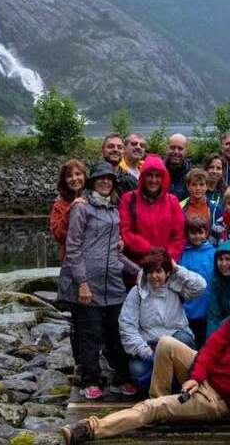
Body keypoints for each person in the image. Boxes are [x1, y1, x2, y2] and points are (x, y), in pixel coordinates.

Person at [60, 287, 230, 443]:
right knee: (167, 344)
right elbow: (210, 350)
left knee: (151, 408)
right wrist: (195, 376)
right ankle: (160, 406)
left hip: (218, 399)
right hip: (204, 379)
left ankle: (90, 428)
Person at [57, 161, 139, 400]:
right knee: (89, 333)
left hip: (113, 283)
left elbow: (115, 252)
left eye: (109, 179)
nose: (105, 182)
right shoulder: (81, 208)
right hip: (88, 284)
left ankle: (122, 377)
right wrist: (81, 282)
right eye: (101, 178)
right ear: (92, 182)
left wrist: (139, 271)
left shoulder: (114, 211)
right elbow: (72, 249)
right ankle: (91, 379)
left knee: (118, 331)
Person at [118, 248, 206, 387]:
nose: (154, 276)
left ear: (167, 272)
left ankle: (179, 385)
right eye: (150, 272)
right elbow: (127, 327)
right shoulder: (136, 293)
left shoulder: (175, 286)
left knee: (184, 340)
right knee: (137, 370)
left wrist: (177, 269)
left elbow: (200, 287)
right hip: (150, 345)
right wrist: (146, 353)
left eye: (158, 271)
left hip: (176, 340)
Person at [119, 155, 186, 263]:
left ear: (163, 178)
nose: (153, 180)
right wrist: (148, 249)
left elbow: (179, 235)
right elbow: (125, 231)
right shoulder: (128, 199)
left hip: (164, 265)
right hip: (136, 263)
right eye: (149, 175)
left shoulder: (172, 201)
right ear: (143, 177)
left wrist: (167, 258)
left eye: (158, 176)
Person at [179, 215, 216, 347]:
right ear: (187, 233)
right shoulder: (183, 253)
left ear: (206, 233)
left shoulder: (213, 252)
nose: (197, 236)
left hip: (206, 306)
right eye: (193, 233)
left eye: (200, 232)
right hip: (187, 307)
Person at [49, 159, 88, 262]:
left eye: (78, 174)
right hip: (71, 260)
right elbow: (58, 235)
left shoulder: (94, 198)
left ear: (84, 176)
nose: (74, 178)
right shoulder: (59, 205)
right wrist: (69, 211)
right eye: (69, 176)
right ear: (64, 180)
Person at [165, 133, 192, 200]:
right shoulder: (158, 172)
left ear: (186, 151)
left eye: (180, 149)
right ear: (167, 149)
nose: (176, 152)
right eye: (172, 148)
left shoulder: (191, 175)